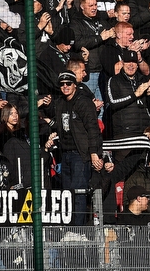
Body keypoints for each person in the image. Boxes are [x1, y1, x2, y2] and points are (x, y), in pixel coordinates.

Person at [48, 70, 102, 226]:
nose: (65, 87)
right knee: (67, 193)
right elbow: (59, 125)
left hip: (80, 154)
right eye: (62, 84)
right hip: (65, 154)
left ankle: (78, 229)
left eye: (68, 83)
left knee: (78, 192)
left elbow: (93, 129)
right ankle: (68, 227)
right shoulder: (59, 102)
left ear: (75, 84)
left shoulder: (83, 102)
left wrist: (93, 153)